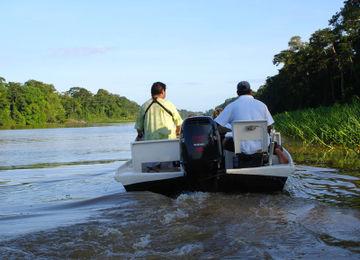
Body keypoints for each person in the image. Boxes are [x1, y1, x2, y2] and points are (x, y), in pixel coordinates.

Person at [214, 81, 289, 164]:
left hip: (241, 148)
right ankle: (276, 150)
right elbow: (269, 126)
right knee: (272, 142)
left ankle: (221, 163)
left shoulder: (232, 106)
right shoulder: (262, 105)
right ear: (250, 92)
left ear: (238, 93)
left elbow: (216, 125)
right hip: (262, 146)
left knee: (224, 141)